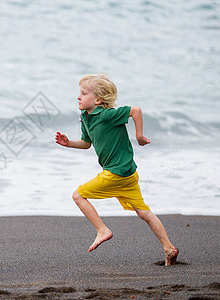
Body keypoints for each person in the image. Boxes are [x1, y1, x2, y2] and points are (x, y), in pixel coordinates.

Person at [55, 73, 179, 266]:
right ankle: (169, 248)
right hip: (128, 174)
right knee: (143, 212)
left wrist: (139, 137)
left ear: (98, 99)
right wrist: (69, 143)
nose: (78, 97)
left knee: (78, 196)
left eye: (83, 93)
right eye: (79, 93)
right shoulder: (86, 117)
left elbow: (135, 110)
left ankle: (102, 230)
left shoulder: (107, 115)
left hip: (115, 172)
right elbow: (87, 143)